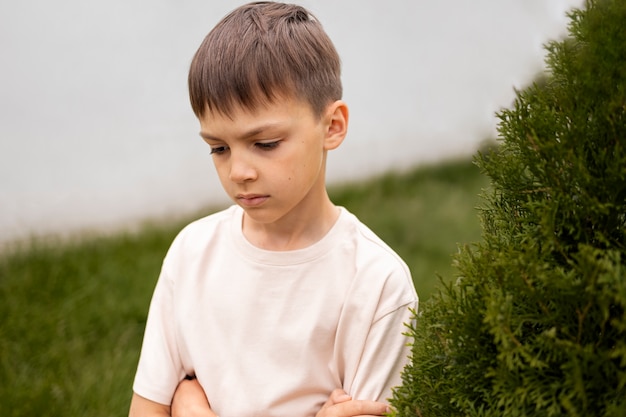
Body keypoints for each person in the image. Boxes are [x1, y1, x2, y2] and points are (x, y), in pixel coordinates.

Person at [128, 2, 418, 416]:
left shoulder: (376, 285)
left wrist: (191, 409)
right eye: (218, 148)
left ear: (332, 127)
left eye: (265, 144)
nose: (239, 172)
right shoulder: (191, 254)